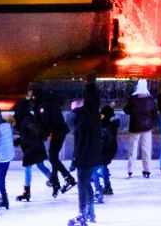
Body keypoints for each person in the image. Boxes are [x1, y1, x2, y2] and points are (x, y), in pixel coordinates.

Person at [36, 87, 75, 195]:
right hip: (59, 131)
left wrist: (43, 135)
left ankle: (68, 178)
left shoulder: (44, 105)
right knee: (54, 157)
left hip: (57, 132)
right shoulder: (51, 102)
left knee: (53, 157)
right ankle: (55, 181)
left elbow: (46, 122)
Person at [13, 94, 51, 202]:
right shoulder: (27, 118)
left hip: (32, 147)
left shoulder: (27, 119)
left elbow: (33, 130)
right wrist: (20, 140)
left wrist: (42, 135)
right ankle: (53, 180)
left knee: (28, 168)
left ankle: (27, 191)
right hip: (35, 145)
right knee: (40, 166)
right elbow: (28, 132)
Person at [70, 96, 101, 225]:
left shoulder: (80, 122)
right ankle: (90, 213)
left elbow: (80, 144)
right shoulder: (90, 118)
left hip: (84, 158)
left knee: (82, 186)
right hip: (93, 156)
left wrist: (75, 160)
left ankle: (82, 213)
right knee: (86, 184)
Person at [123, 78, 157, 179]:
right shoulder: (150, 99)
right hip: (147, 128)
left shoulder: (132, 99)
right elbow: (154, 111)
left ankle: (130, 170)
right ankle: (147, 170)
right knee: (146, 149)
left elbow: (126, 111)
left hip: (134, 128)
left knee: (133, 149)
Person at [94, 106, 119, 198]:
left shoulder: (103, 126)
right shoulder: (112, 125)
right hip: (110, 151)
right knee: (104, 167)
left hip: (102, 150)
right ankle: (107, 187)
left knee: (93, 170)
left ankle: (98, 189)